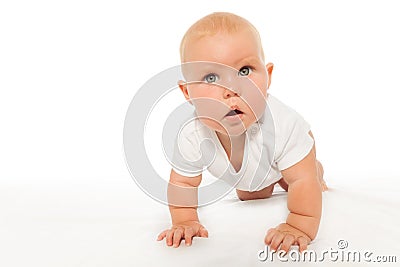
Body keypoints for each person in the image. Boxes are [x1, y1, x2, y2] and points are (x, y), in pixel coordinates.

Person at [157, 12, 328, 253]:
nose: (231, 89)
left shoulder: (284, 125)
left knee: (298, 178)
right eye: (211, 77)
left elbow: (303, 181)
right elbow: (183, 182)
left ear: (267, 77)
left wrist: (298, 225)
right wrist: (185, 221)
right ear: (187, 93)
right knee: (251, 195)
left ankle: (314, 169)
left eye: (245, 71)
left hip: (296, 149)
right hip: (251, 171)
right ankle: (275, 175)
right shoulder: (191, 134)